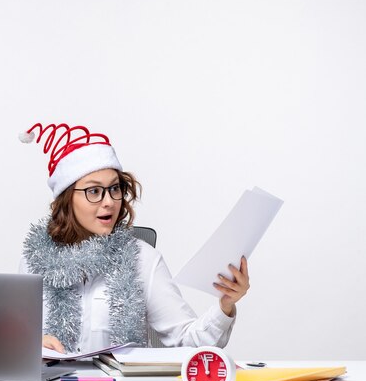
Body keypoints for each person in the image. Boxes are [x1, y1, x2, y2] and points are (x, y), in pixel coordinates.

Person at [18, 123, 250, 354]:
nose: (109, 201)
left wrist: (225, 305)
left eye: (114, 189)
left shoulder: (143, 259)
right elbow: (13, 339)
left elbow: (186, 341)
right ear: (67, 199)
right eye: (94, 191)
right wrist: (30, 343)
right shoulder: (36, 261)